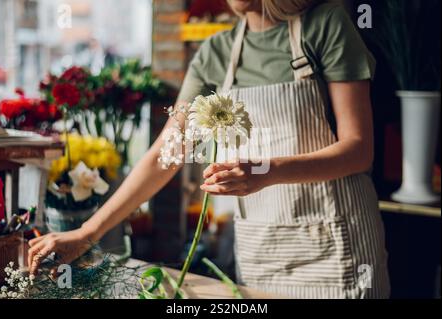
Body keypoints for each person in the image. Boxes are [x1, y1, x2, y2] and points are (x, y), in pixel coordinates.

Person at [28, 0, 390, 299]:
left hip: (337, 249)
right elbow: (163, 156)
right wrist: (85, 234)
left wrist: (266, 171)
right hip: (263, 254)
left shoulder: (326, 24)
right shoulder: (215, 54)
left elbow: (359, 150)